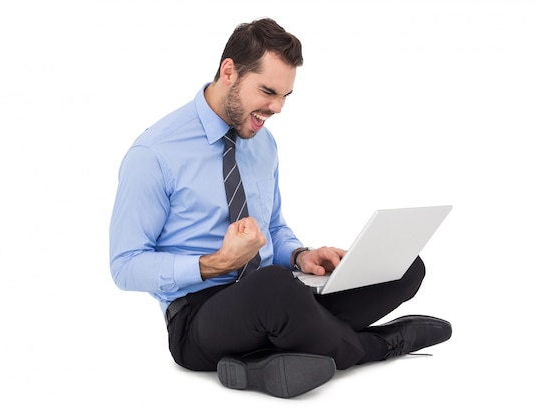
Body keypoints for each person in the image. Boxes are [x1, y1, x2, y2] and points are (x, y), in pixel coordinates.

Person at [109, 17, 452, 398]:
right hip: (198, 317)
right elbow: (125, 265)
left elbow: (273, 227)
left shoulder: (263, 143)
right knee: (273, 288)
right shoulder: (154, 153)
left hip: (282, 296)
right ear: (229, 72)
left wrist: (301, 256)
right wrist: (216, 263)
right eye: (268, 91)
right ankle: (379, 345)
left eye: (285, 96)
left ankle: (266, 357)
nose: (277, 108)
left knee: (401, 267)